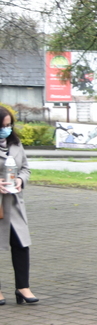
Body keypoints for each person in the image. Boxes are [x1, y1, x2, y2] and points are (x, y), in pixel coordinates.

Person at [0, 107, 38, 305]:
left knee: (21, 244)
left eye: (8, 125)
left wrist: (21, 180)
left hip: (14, 202)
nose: (6, 129)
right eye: (2, 125)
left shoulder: (15, 143)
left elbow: (25, 168)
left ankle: (23, 287)